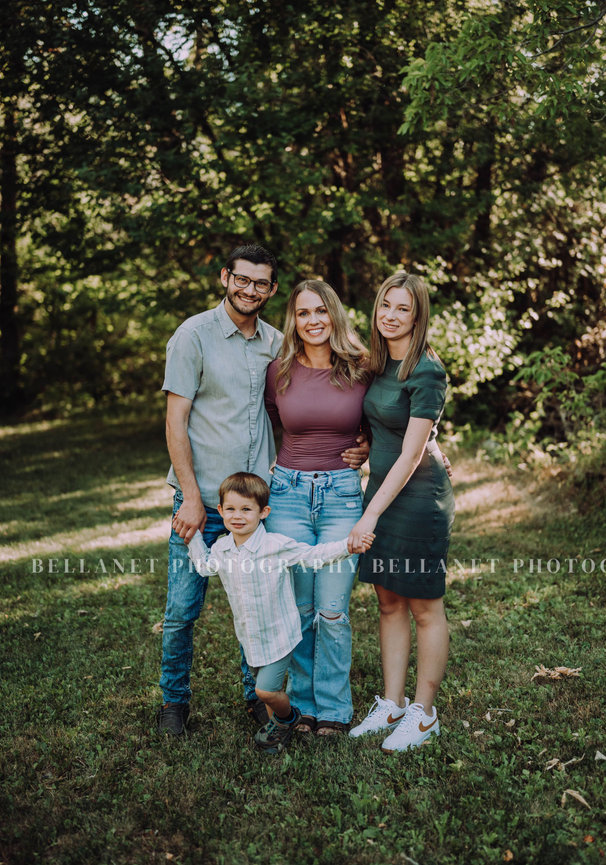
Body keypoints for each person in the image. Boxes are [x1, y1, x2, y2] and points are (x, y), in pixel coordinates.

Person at [157, 245, 368, 736]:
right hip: (202, 498)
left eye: (260, 283)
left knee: (260, 601)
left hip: (260, 503)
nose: (249, 289)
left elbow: (308, 405)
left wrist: (364, 442)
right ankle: (173, 702)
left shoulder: (278, 345)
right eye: (242, 279)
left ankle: (256, 694)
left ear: (272, 290)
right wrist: (191, 496)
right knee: (182, 611)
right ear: (225, 277)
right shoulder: (193, 335)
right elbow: (175, 420)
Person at [187, 472, 375, 753]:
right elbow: (204, 566)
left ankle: (289, 718)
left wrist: (347, 546)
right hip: (250, 636)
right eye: (231, 509)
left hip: (279, 635)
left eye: (246, 509)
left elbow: (313, 556)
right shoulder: (223, 548)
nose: (237, 516)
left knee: (265, 690)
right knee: (267, 693)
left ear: (264, 512)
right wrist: (192, 536)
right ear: (221, 510)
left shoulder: (275, 546)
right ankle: (277, 733)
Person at [347, 270, 455, 753]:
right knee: (388, 601)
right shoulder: (377, 364)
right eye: (385, 305)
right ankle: (391, 704)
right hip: (382, 491)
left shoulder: (427, 371)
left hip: (417, 498)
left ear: (418, 316)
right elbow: (381, 427)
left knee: (424, 606)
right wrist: (364, 447)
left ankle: (424, 714)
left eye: (403, 309)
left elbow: (412, 455)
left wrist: (369, 514)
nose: (391, 316)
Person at [263, 280, 371, 735]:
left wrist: (367, 446)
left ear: (334, 315)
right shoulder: (279, 371)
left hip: (341, 497)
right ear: (294, 320)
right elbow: (274, 421)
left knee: (332, 610)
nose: (313, 321)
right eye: (304, 312)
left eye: (321, 311)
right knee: (300, 609)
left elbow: (382, 419)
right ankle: (304, 704)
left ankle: (335, 707)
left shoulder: (362, 368)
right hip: (287, 495)